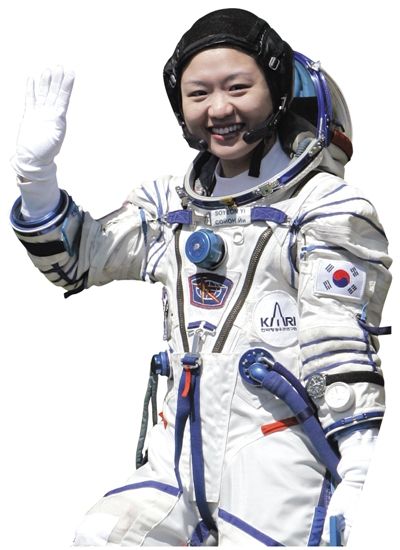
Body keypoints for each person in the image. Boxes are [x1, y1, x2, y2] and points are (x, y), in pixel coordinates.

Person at [10, 7, 391, 547]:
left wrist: (360, 467)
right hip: (179, 448)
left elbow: (338, 342)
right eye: (198, 94)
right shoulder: (170, 205)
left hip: (278, 454)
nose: (219, 109)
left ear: (277, 90)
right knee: (102, 536)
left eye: (238, 87)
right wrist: (37, 179)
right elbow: (80, 259)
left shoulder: (324, 208)